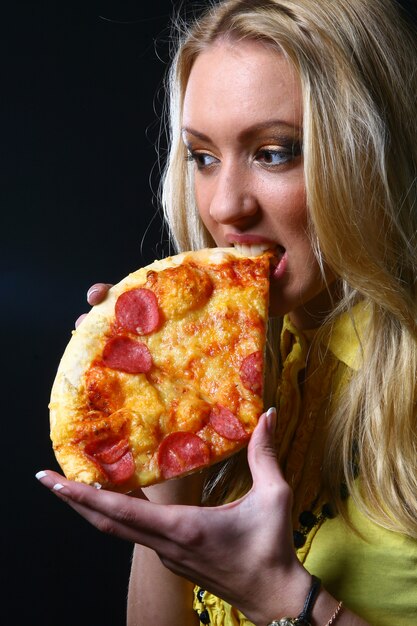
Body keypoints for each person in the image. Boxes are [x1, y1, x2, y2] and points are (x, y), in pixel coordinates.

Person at [36, 1, 417, 624]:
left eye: (274, 152)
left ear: (370, 153)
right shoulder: (246, 360)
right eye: (204, 157)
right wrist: (167, 450)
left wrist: (278, 596)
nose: (225, 207)